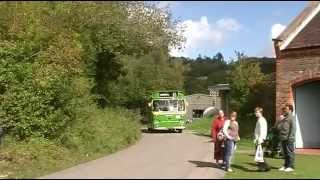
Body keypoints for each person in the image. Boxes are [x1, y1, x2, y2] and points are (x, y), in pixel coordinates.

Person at [276, 104, 296, 172]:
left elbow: (293, 128)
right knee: (285, 153)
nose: (285, 110)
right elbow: (278, 128)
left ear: (290, 110)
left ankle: (291, 166)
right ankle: (285, 165)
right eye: (285, 109)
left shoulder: (292, 118)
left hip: (289, 138)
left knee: (290, 153)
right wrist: (279, 120)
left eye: (286, 109)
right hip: (283, 138)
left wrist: (291, 137)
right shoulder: (284, 118)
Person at [253, 107, 271, 172]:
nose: (255, 113)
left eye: (256, 112)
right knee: (258, 154)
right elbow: (257, 131)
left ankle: (266, 166)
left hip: (261, 140)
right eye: (255, 112)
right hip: (258, 139)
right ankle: (262, 167)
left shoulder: (262, 120)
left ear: (260, 112)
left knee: (259, 154)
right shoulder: (259, 119)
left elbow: (262, 131)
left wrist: (260, 140)